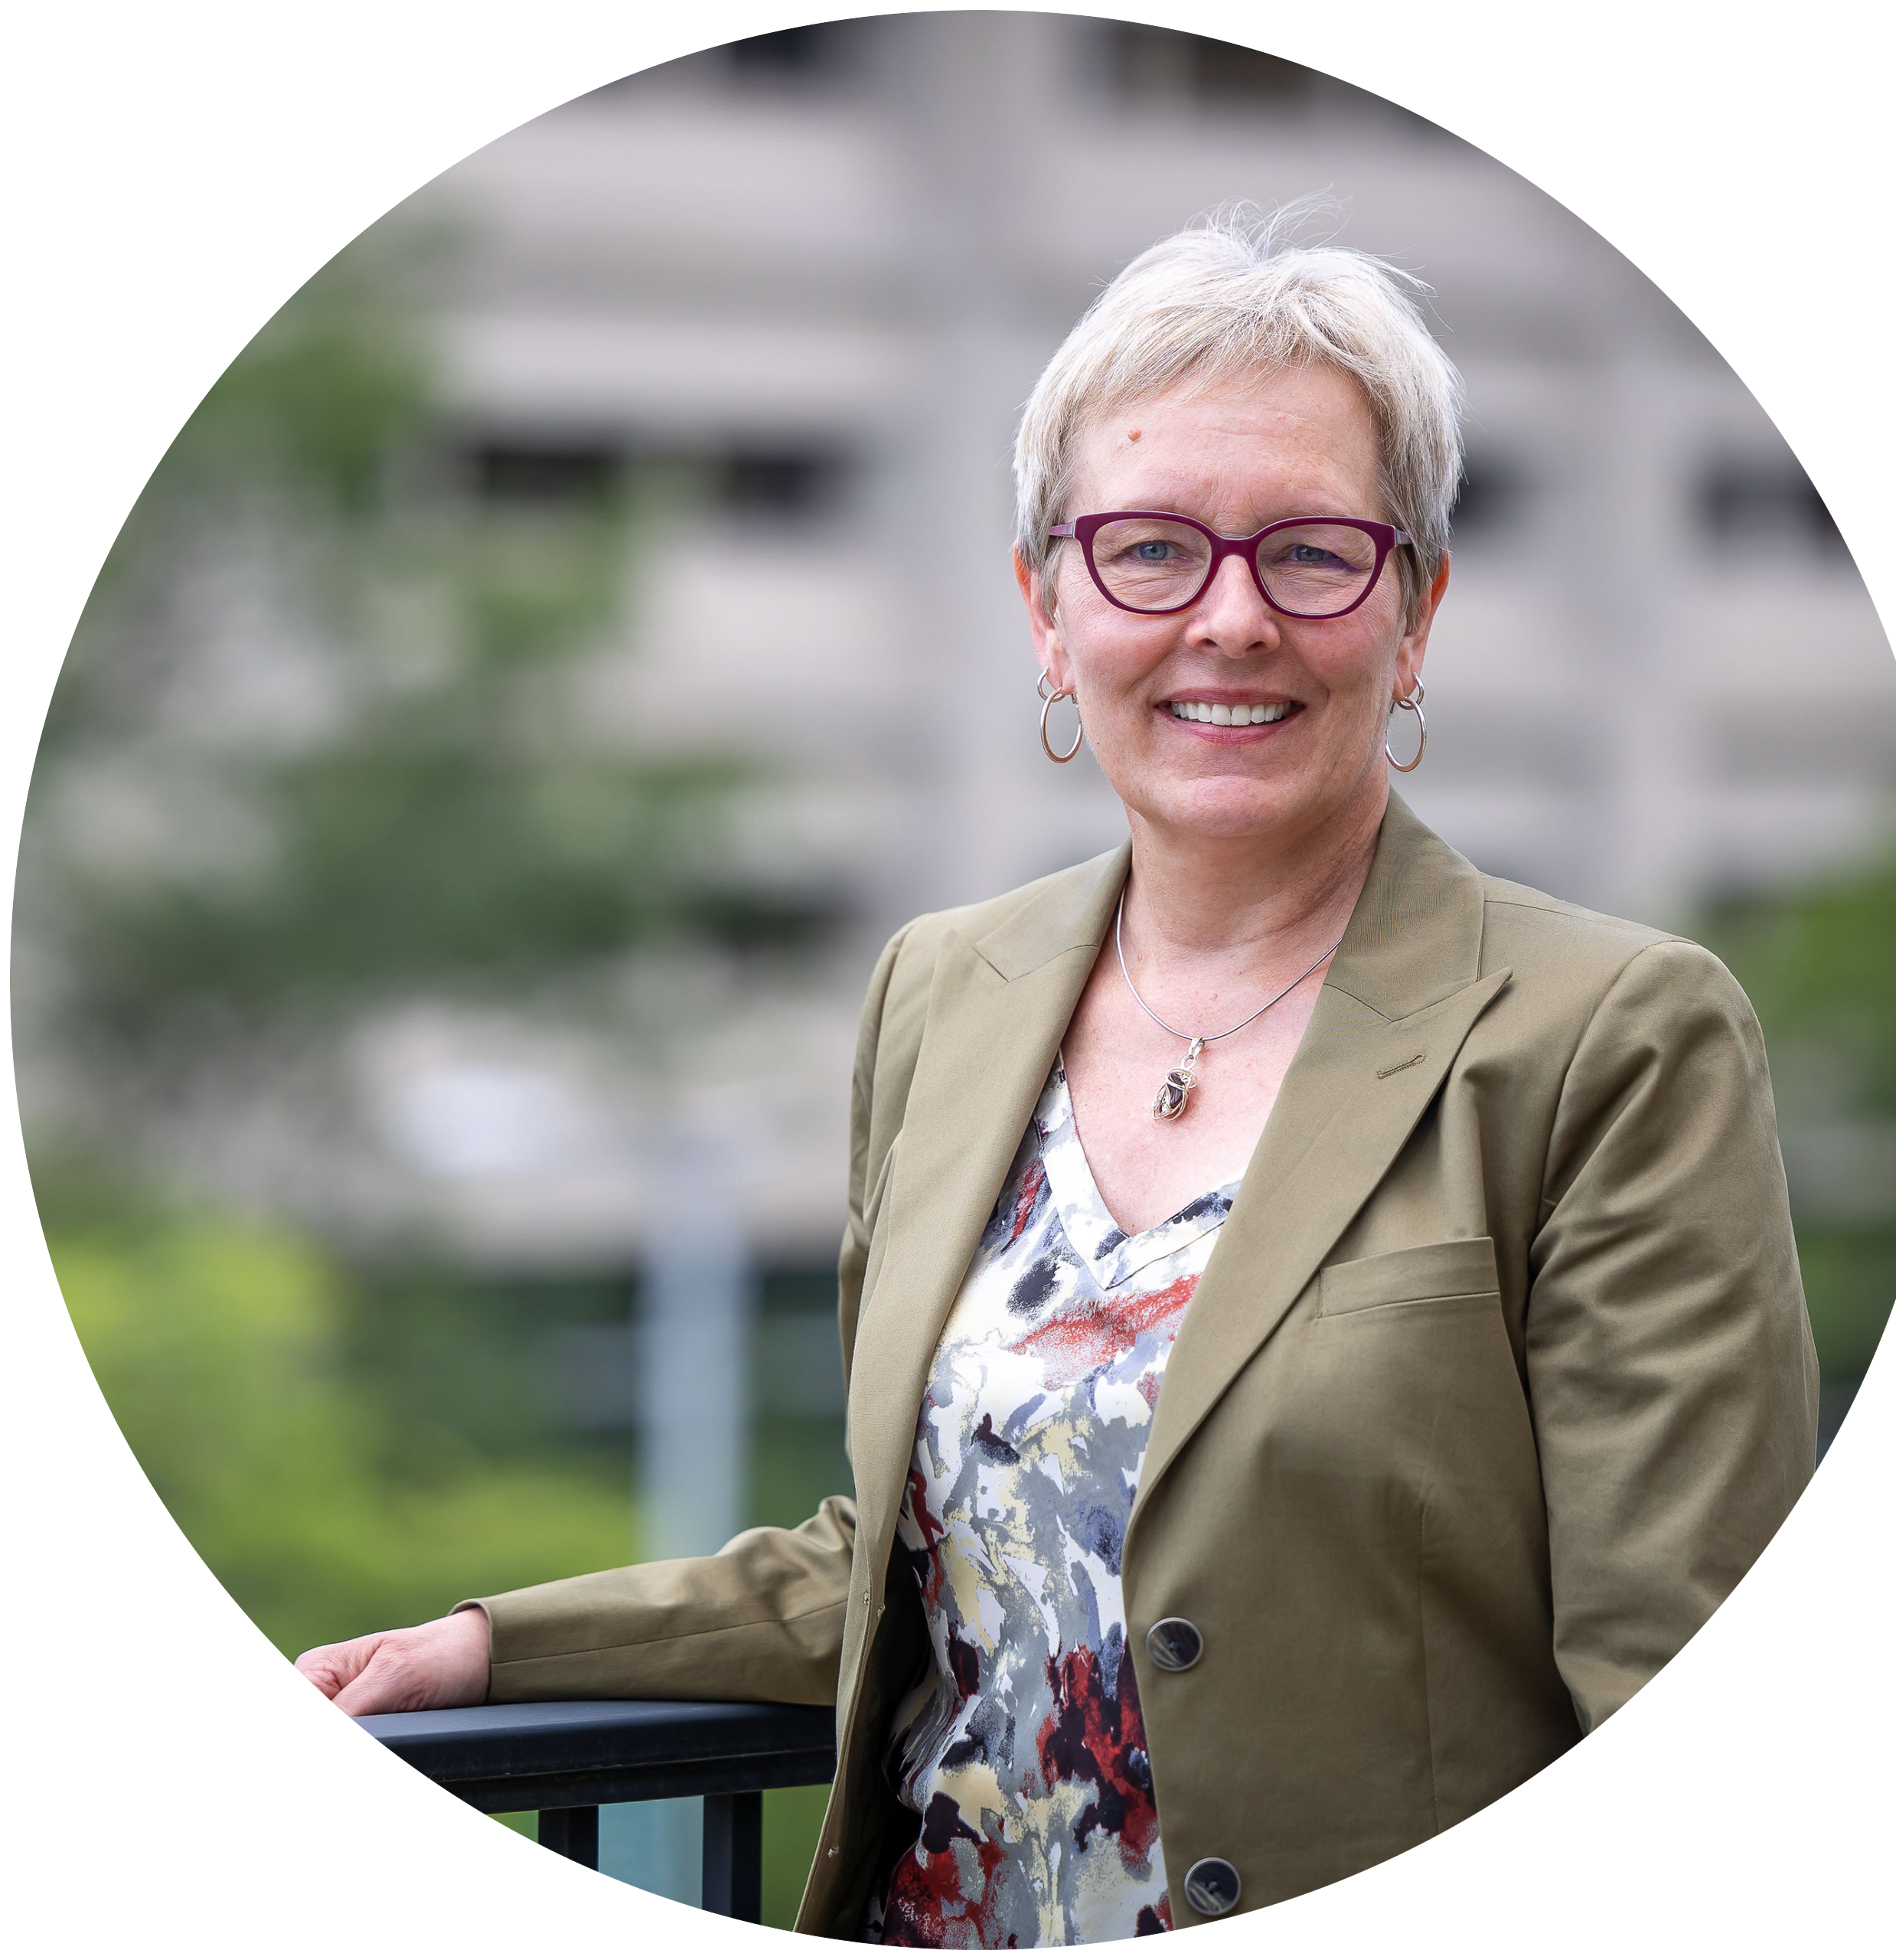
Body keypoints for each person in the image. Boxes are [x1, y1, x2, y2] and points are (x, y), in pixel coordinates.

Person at [299, 207, 1817, 1942]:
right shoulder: (944, 989)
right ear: (1046, 608)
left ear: (1412, 614)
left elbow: (1660, 1647)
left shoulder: (1609, 1038)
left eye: (1310, 551)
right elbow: (937, 1551)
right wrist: (501, 1646)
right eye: (1148, 549)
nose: (1229, 618)